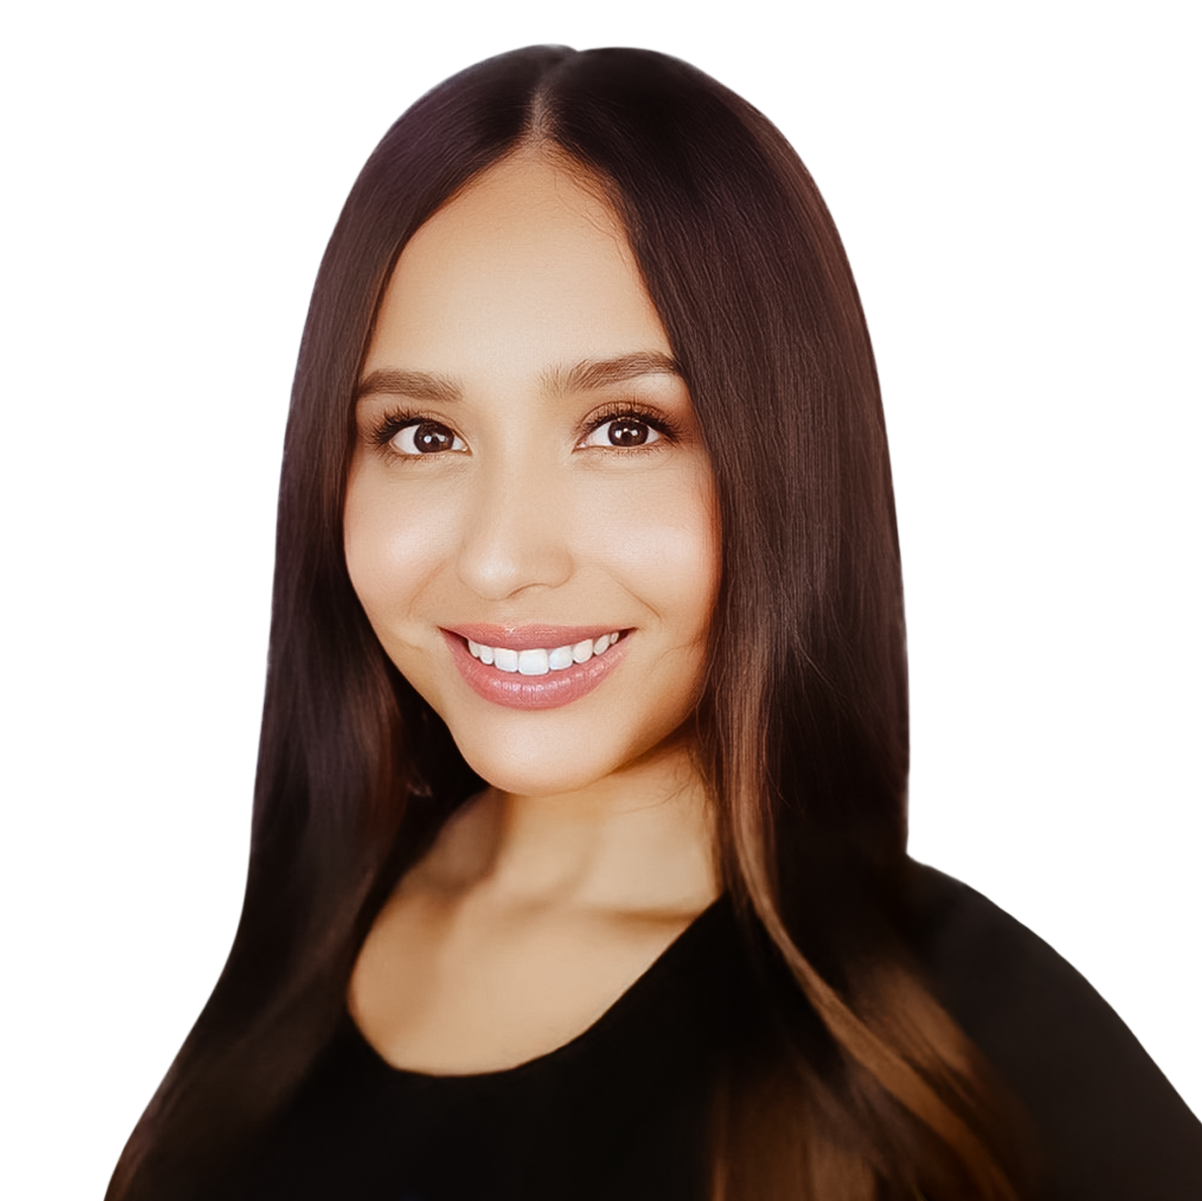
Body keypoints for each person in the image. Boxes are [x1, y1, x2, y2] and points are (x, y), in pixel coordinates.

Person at [106, 44, 1200, 1201]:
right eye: (421, 435)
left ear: (784, 458)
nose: (498, 558)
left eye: (623, 427)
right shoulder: (279, 929)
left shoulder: (955, 1029)